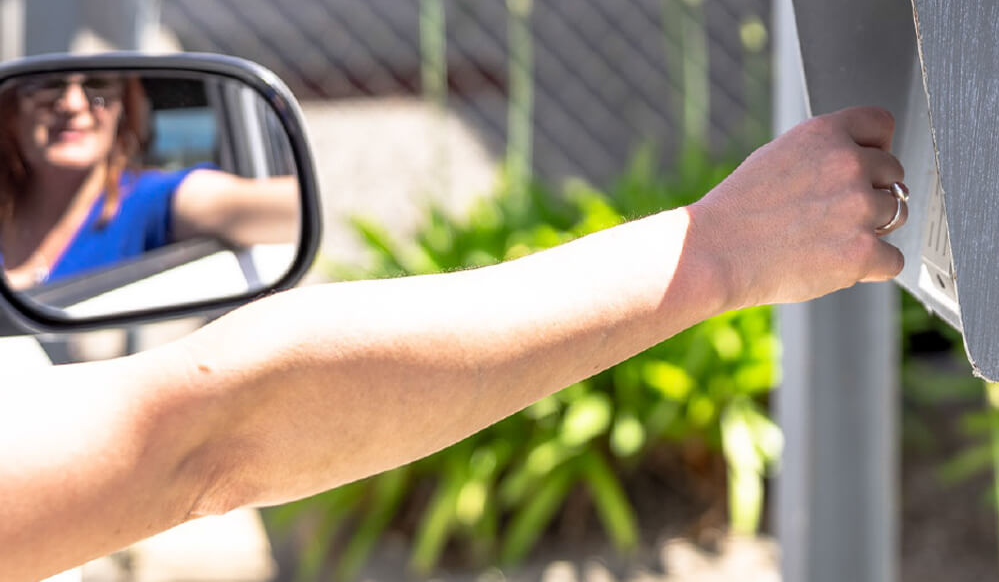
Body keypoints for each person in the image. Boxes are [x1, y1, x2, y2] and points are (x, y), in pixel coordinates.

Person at [0, 104, 908, 581]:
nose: (71, 108)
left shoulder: (155, 202)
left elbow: (265, 216)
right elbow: (211, 429)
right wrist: (716, 250)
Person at [0, 72, 300, 292]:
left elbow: (271, 208)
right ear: (12, 111)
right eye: (47, 86)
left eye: (99, 87)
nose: (73, 104)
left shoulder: (148, 200)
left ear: (122, 109)